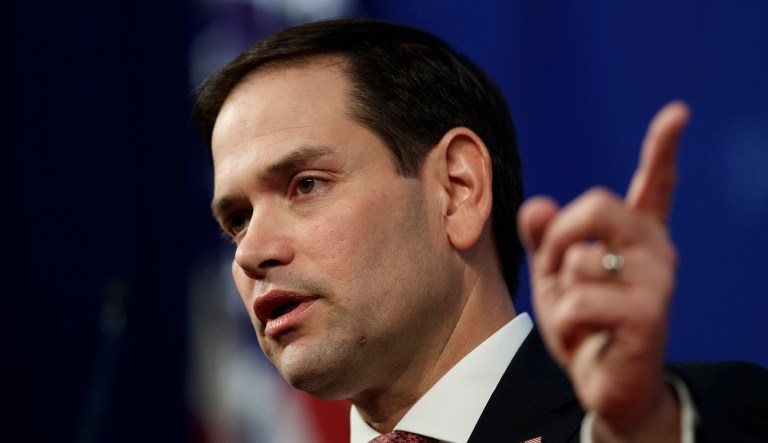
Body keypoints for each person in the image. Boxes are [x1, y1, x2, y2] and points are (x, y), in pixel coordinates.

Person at [192, 17, 768, 442]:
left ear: (457, 189)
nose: (251, 255)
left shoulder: (690, 418)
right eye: (237, 220)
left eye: (306, 185)